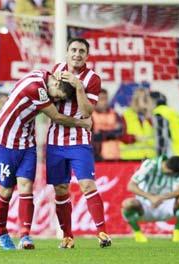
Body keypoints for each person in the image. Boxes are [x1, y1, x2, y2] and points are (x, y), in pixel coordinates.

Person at [0, 70, 91, 250]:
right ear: (55, 85)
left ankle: (24, 236)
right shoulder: (36, 88)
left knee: (26, 186)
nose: (57, 101)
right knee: (6, 190)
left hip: (27, 141)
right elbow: (57, 117)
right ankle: (1, 231)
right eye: (58, 97)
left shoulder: (45, 75)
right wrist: (83, 123)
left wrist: (77, 85)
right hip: (5, 141)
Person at [48, 38, 111, 249]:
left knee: (86, 184)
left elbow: (86, 112)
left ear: (87, 55)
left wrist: (78, 87)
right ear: (67, 52)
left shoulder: (92, 78)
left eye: (81, 51)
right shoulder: (56, 69)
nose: (77, 54)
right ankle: (67, 236)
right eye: (73, 50)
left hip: (79, 139)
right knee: (60, 188)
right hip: (54, 140)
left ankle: (101, 232)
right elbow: (48, 98)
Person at [121, 155, 179, 243]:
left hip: (166, 204)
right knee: (128, 204)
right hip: (145, 205)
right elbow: (131, 186)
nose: (174, 176)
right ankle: (138, 233)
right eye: (173, 174)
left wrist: (160, 198)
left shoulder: (174, 169)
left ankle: (177, 232)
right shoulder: (150, 165)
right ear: (167, 168)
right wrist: (150, 197)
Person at [120, 88, 155, 160]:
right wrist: (134, 138)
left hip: (150, 158)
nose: (146, 102)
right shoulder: (126, 115)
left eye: (147, 99)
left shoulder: (151, 116)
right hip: (132, 158)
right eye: (144, 99)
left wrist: (148, 113)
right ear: (136, 100)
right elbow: (121, 136)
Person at [91, 88, 123, 160]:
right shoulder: (91, 116)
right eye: (101, 99)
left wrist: (102, 133)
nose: (104, 102)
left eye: (106, 99)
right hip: (98, 157)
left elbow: (120, 132)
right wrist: (112, 131)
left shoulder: (114, 114)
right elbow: (94, 136)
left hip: (115, 156)